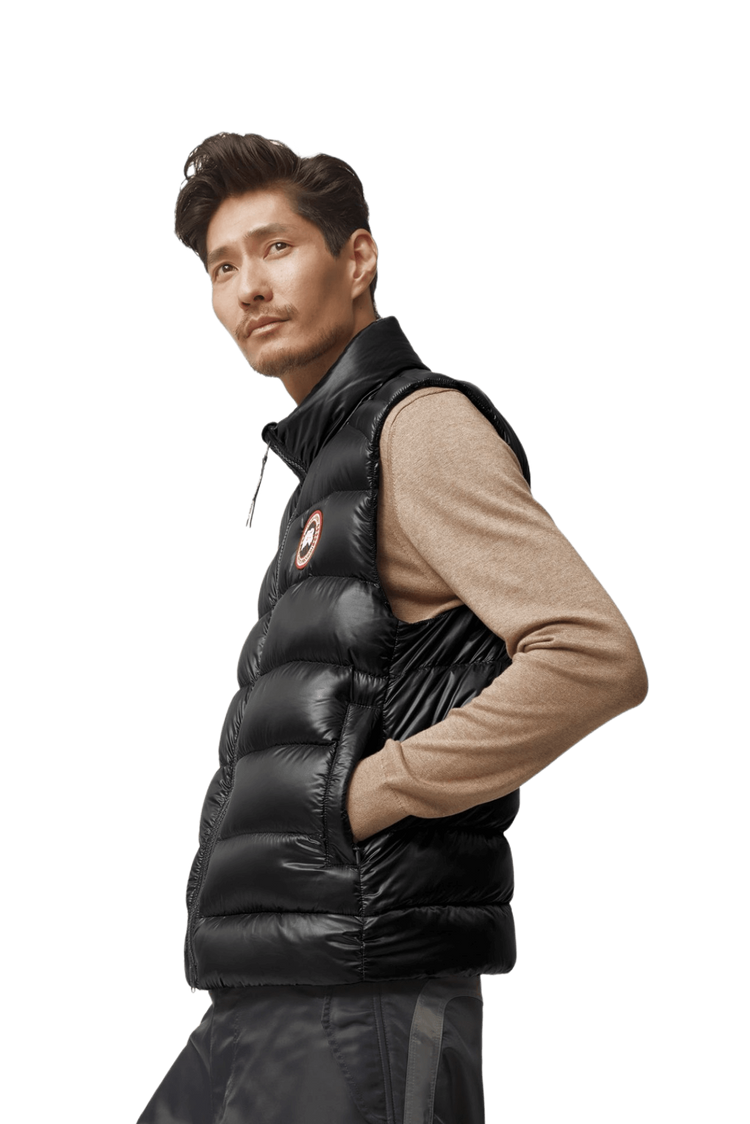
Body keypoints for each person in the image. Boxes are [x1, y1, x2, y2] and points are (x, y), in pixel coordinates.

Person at [138, 130, 650, 1123]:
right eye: (222, 267)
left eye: (277, 247)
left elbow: (592, 654)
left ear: (358, 257)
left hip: (365, 992)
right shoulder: (332, 466)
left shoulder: (416, 429)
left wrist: (368, 795)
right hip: (271, 987)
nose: (249, 287)